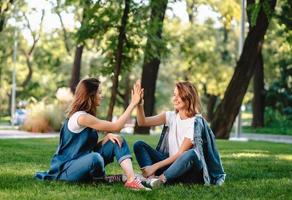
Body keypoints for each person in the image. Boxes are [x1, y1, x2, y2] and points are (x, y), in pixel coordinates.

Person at [35, 78, 149, 190]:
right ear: (90, 95)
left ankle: (131, 180)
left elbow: (84, 149)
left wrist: (106, 139)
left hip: (81, 162)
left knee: (118, 140)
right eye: (99, 92)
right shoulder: (81, 117)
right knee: (95, 158)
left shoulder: (87, 116)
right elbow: (117, 126)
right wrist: (133, 103)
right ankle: (102, 179)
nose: (102, 96)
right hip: (66, 169)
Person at [134, 81, 225, 188]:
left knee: (191, 153)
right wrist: (139, 105)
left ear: (188, 97)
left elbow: (180, 154)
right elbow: (142, 122)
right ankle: (150, 179)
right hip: (170, 166)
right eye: (174, 95)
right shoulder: (170, 116)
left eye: (179, 95)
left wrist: (155, 166)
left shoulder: (195, 122)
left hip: (188, 171)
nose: (175, 99)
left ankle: (160, 179)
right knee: (139, 145)